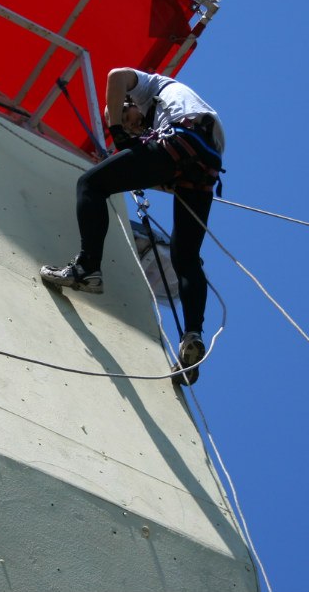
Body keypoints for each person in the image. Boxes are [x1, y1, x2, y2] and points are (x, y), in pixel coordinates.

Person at [41, 68, 225, 384]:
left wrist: (116, 132)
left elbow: (114, 75)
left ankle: (87, 269)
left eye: (127, 118)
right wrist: (134, 157)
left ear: (129, 102)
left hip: (184, 137)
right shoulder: (163, 119)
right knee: (185, 257)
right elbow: (163, 174)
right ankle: (192, 336)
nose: (133, 127)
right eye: (127, 125)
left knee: (91, 184)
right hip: (204, 160)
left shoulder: (148, 87)